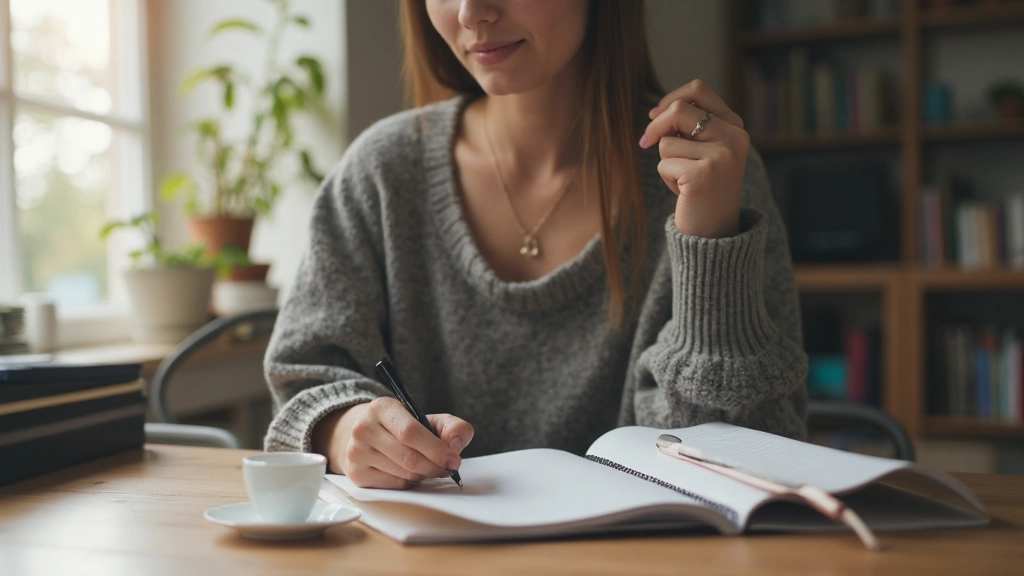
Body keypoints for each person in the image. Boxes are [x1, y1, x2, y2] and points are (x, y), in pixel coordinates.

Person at [263, 0, 808, 489]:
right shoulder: (382, 173)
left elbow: (747, 456)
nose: (472, 12)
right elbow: (307, 379)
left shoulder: (707, 180)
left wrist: (710, 243)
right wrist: (346, 430)